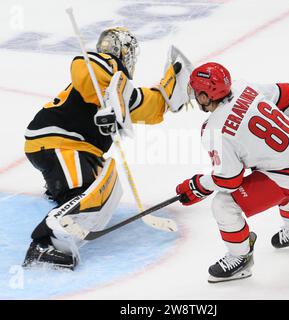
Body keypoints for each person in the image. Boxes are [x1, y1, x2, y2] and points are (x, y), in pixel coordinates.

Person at [23, 27, 192, 270]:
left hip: (74, 149)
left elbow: (151, 107)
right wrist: (113, 67)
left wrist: (171, 86)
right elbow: (85, 64)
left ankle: (62, 190)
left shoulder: (121, 93)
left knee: (109, 185)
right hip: (58, 144)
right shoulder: (98, 73)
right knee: (94, 195)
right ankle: (45, 244)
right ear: (125, 53)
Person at [176, 62, 289, 283]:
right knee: (275, 171)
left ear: (206, 96)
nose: (195, 96)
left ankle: (240, 258)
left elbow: (229, 179)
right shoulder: (244, 87)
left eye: (197, 92)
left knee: (224, 205)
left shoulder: (214, 129)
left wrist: (198, 186)